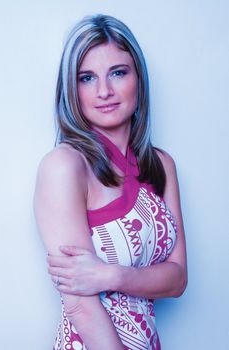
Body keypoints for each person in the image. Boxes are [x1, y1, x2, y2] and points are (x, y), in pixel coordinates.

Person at [34, 14, 187, 350]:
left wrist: (112, 275)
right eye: (86, 78)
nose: (104, 91)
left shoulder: (161, 165)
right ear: (71, 89)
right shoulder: (64, 166)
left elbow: (177, 279)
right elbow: (79, 303)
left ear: (139, 79)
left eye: (118, 72)